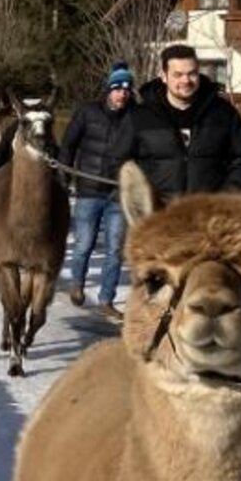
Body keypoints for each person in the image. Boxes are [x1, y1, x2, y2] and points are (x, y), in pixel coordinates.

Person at [111, 44, 241, 201]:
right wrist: (140, 198)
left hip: (209, 213)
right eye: (178, 74)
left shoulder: (223, 113)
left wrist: (228, 196)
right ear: (164, 76)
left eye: (192, 74)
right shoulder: (139, 117)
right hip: (158, 213)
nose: (186, 80)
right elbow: (118, 163)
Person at [58, 62, 135, 321]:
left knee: (114, 250)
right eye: (117, 88)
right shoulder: (87, 113)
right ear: (108, 90)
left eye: (127, 88)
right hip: (89, 190)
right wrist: (64, 176)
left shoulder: (137, 117)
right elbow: (68, 145)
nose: (122, 93)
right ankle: (77, 284)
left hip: (118, 194)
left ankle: (106, 300)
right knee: (83, 245)